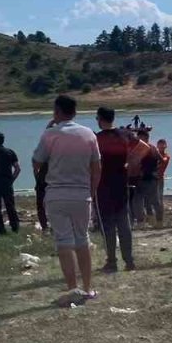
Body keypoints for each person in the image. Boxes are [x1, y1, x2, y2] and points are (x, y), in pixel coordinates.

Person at [33, 95, 103, 300]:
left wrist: (43, 180)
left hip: (56, 193)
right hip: (81, 193)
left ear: (57, 112)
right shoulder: (89, 134)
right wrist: (91, 190)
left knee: (63, 241)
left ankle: (73, 288)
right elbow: (97, 167)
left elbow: (37, 161)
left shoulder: (50, 134)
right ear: (75, 111)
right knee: (83, 239)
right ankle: (88, 288)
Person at [95, 106, 136, 271]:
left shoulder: (96, 138)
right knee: (124, 223)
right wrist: (129, 165)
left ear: (100, 118)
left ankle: (112, 261)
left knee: (108, 226)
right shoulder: (125, 134)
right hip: (121, 183)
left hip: (103, 185)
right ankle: (129, 261)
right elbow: (144, 148)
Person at [0, 131, 21, 234]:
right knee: (10, 206)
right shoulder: (10, 152)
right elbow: (17, 169)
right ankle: (15, 227)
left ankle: (1, 229)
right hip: (7, 182)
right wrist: (11, 180)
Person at [125, 130, 154, 224]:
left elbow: (148, 161)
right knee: (131, 200)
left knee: (138, 200)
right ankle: (134, 220)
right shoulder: (129, 147)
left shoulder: (143, 147)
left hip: (138, 177)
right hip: (130, 176)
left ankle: (140, 220)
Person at [155, 137, 171, 227]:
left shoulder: (166, 156)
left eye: (163, 145)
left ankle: (159, 221)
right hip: (152, 179)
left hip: (159, 179)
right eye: (159, 145)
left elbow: (163, 161)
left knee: (159, 200)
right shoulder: (154, 155)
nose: (161, 147)